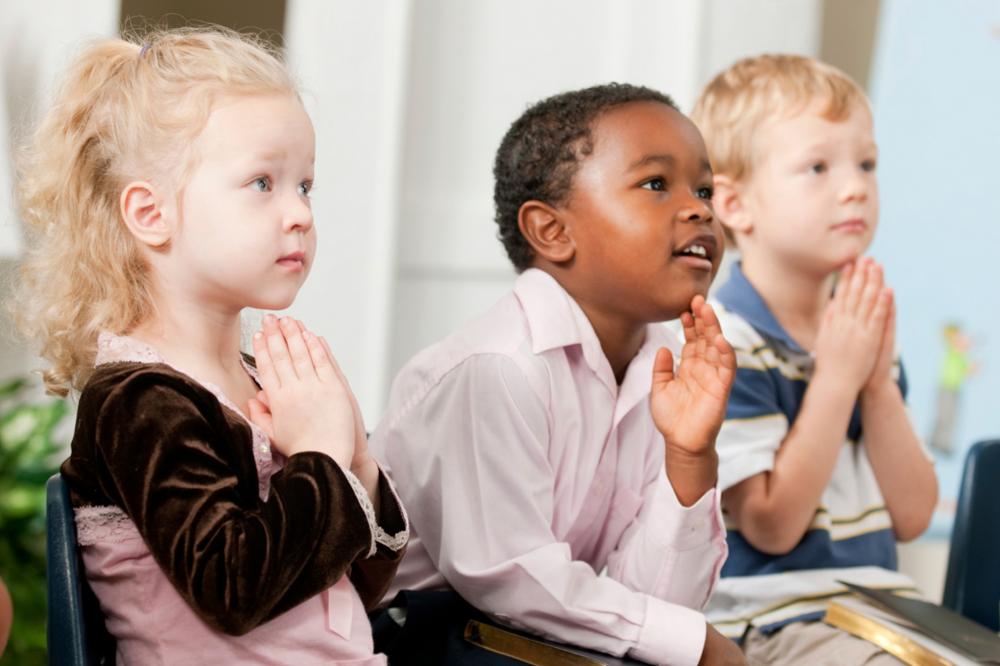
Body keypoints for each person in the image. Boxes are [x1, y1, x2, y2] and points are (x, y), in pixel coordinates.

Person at [13, 28, 407, 664]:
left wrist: (354, 464)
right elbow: (232, 589)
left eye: (305, 185)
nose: (301, 214)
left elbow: (357, 591)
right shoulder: (139, 399)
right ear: (151, 214)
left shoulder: (266, 382)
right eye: (262, 183)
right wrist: (320, 458)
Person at [370, 83, 745, 665]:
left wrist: (689, 457)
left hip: (529, 643)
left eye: (703, 190)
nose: (699, 210)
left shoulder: (665, 367)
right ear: (552, 231)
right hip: (411, 642)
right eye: (655, 184)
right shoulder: (497, 368)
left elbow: (654, 605)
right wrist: (692, 643)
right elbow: (507, 578)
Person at [690, 54, 938, 664]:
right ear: (735, 204)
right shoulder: (725, 342)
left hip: (882, 614)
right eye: (818, 167)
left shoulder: (857, 327)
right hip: (771, 620)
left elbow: (912, 516)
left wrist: (876, 387)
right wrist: (838, 379)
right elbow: (773, 526)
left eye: (866, 164)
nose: (855, 187)